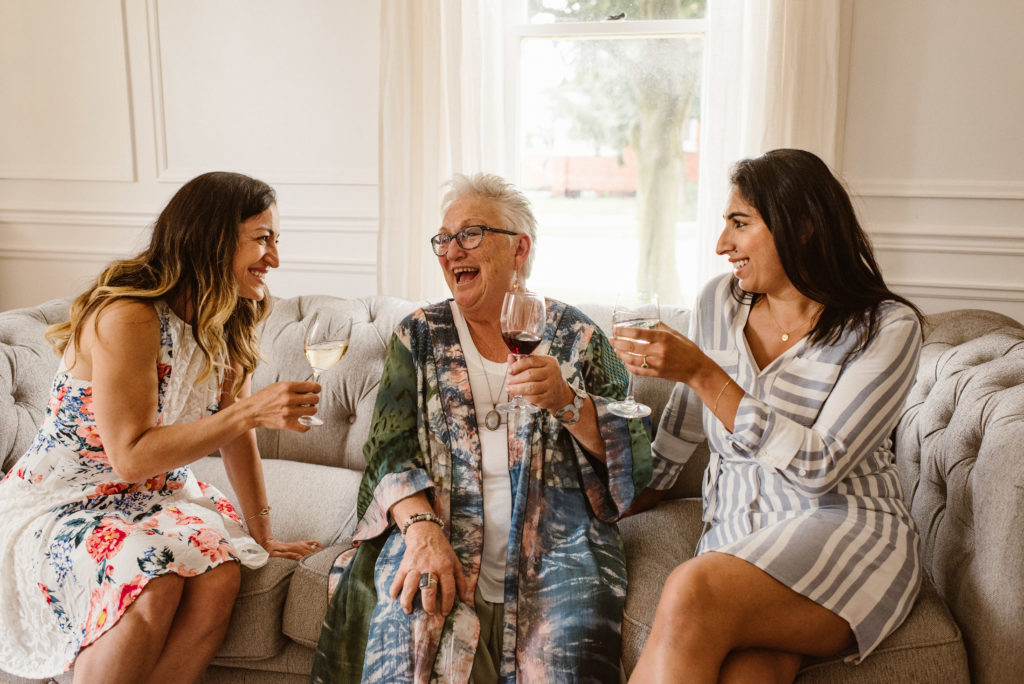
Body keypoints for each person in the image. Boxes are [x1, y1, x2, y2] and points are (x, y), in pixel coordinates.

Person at [311, 172, 652, 683]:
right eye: (443, 239)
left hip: (555, 557)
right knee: (407, 637)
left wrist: (568, 402)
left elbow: (636, 458)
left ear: (519, 248)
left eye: (469, 234)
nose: (451, 251)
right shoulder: (418, 337)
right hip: (438, 533)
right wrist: (422, 533)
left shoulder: (578, 336)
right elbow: (387, 450)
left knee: (566, 658)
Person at [612, 149, 924, 683]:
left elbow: (821, 466)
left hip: (844, 530)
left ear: (801, 226)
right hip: (735, 533)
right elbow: (686, 424)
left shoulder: (886, 328)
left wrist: (705, 373)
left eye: (740, 223)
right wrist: (628, 498)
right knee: (750, 674)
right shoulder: (718, 303)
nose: (721, 245)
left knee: (691, 588)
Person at [0, 171, 324, 684]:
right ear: (212, 238)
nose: (274, 259)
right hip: (65, 499)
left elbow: (235, 433)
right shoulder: (129, 315)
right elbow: (129, 454)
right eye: (262, 239)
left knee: (220, 578)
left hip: (151, 493)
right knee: (154, 581)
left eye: (275, 241)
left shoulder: (226, 315)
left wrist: (263, 532)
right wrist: (250, 410)